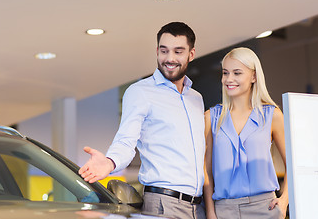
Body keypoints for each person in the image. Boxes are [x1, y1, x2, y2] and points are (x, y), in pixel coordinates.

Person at [79, 22, 206, 219]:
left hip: (199, 207)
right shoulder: (140, 92)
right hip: (164, 205)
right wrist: (110, 162)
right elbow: (125, 141)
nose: (170, 58)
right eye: (164, 51)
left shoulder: (196, 99)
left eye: (178, 51)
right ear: (157, 51)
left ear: (191, 54)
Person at [203, 47, 288, 219]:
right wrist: (211, 213)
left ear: (254, 76)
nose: (229, 79)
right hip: (223, 210)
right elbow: (206, 172)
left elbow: (293, 164)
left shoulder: (272, 116)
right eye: (225, 73)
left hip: (266, 209)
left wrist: (284, 201)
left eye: (237, 73)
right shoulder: (211, 117)